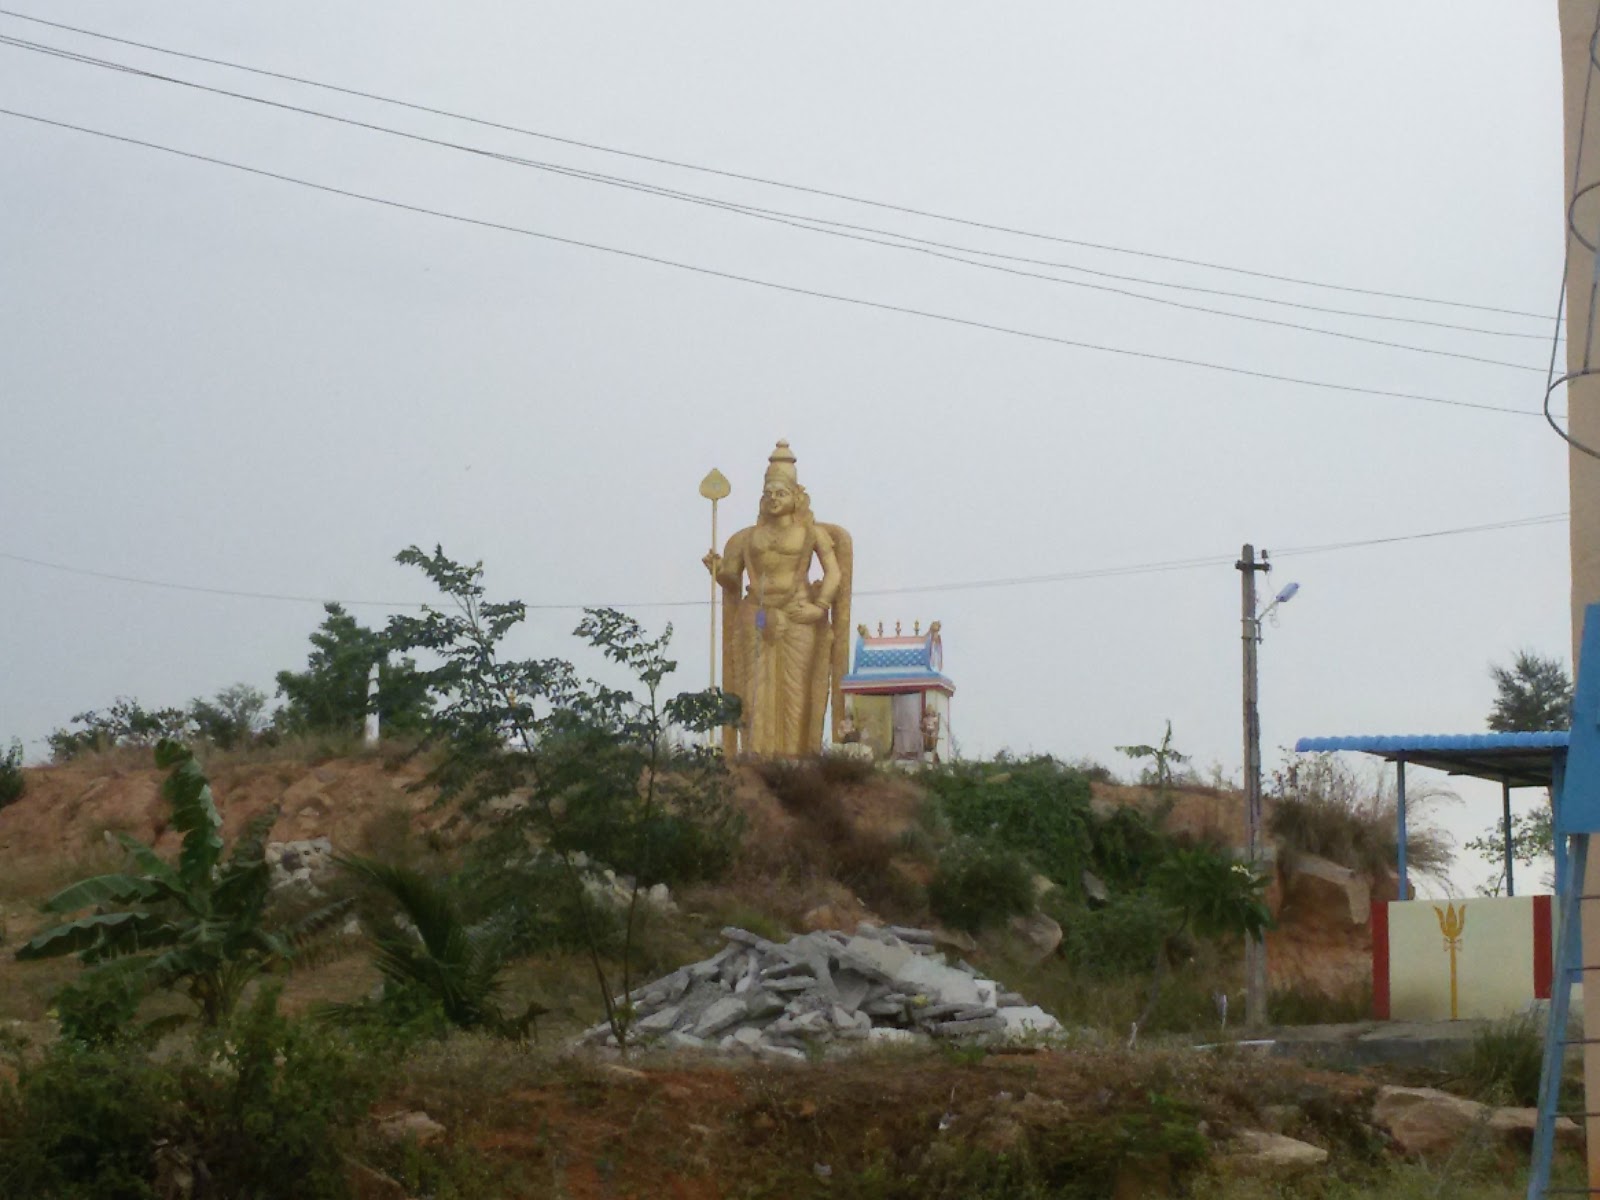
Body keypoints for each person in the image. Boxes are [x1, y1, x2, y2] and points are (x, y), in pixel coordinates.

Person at [702, 441, 852, 756]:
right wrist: (717, 570)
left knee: (796, 690)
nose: (773, 498)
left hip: (798, 614)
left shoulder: (811, 534)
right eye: (768, 492)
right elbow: (732, 581)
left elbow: (834, 573)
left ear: (796, 496)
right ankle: (756, 757)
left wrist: (819, 607)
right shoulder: (747, 538)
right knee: (754, 691)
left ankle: (795, 757)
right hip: (755, 614)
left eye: (781, 493)